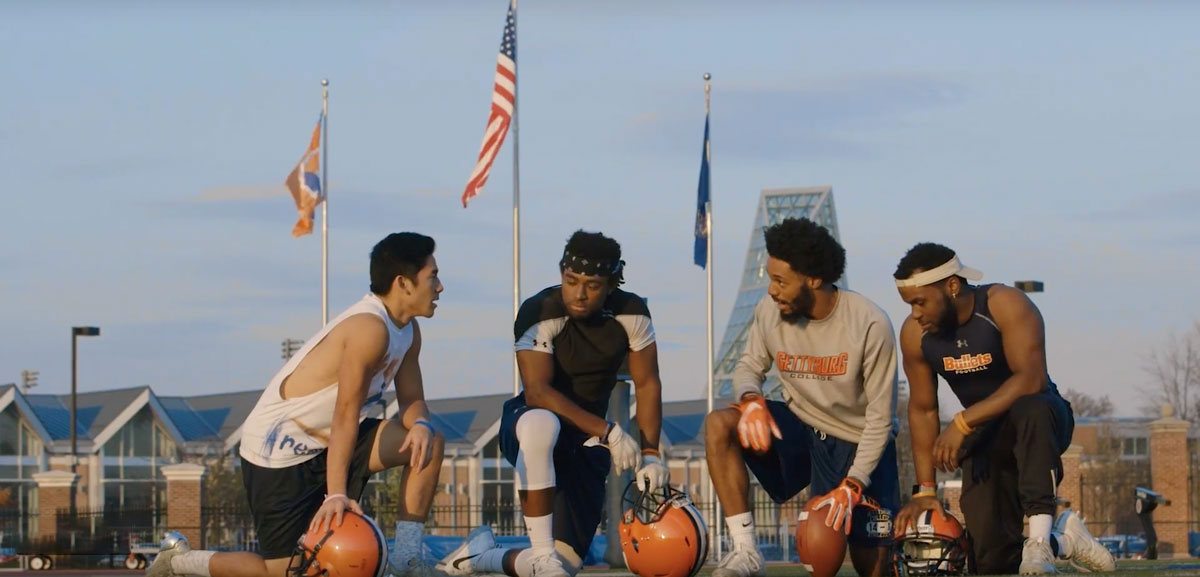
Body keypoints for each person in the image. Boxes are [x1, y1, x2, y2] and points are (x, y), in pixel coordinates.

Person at [146, 232, 448, 577]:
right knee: (281, 572)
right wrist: (336, 494)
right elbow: (345, 414)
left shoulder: (408, 332)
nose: (439, 287)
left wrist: (421, 423)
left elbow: (412, 401)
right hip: (279, 453)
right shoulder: (369, 329)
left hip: (328, 442)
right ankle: (180, 561)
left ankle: (407, 558)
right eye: (432, 276)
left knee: (429, 440)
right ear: (403, 283)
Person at [438, 230, 668, 577]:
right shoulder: (539, 310)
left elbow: (648, 383)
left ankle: (479, 557)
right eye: (571, 280)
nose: (578, 293)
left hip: (586, 443)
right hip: (530, 426)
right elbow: (537, 392)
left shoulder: (632, 313)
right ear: (561, 271)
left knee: (567, 564)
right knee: (541, 422)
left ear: (610, 284)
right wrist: (609, 431)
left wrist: (651, 454)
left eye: (592, 284)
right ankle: (542, 553)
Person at [890, 242, 1115, 575]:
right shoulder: (915, 335)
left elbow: (1032, 379)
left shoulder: (1004, 303)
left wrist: (963, 422)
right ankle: (1065, 541)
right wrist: (925, 489)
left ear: (952, 286)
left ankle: (1039, 540)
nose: (915, 314)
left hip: (1041, 419)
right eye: (910, 305)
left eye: (921, 302)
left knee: (1031, 408)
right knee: (993, 561)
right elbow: (923, 410)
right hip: (986, 435)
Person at [704, 217, 901, 577]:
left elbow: (880, 420)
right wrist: (750, 400)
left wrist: (854, 482)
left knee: (872, 567)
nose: (771, 291)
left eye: (780, 281)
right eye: (770, 279)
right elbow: (749, 366)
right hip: (802, 431)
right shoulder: (770, 312)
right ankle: (746, 551)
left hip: (859, 443)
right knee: (720, 423)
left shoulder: (870, 323)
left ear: (813, 279)